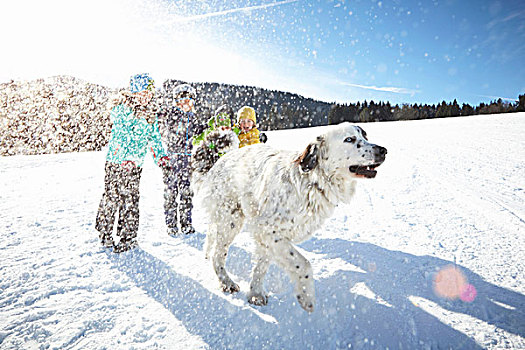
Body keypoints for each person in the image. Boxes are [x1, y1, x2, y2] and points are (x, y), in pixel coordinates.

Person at [95, 73, 169, 253]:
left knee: (130, 199)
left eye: (149, 93)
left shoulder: (150, 114)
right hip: (116, 161)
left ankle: (128, 236)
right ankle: (104, 233)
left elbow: (154, 138)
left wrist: (160, 156)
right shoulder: (122, 110)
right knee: (112, 197)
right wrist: (124, 157)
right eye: (143, 92)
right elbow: (121, 136)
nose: (146, 97)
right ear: (133, 92)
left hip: (135, 165)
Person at [159, 83, 205, 236]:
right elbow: (162, 118)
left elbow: (202, 133)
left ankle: (186, 223)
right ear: (176, 102)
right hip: (172, 160)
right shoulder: (171, 115)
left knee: (186, 193)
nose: (185, 103)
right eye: (181, 100)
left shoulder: (194, 119)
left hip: (188, 161)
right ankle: (171, 224)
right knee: (171, 192)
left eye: (188, 100)